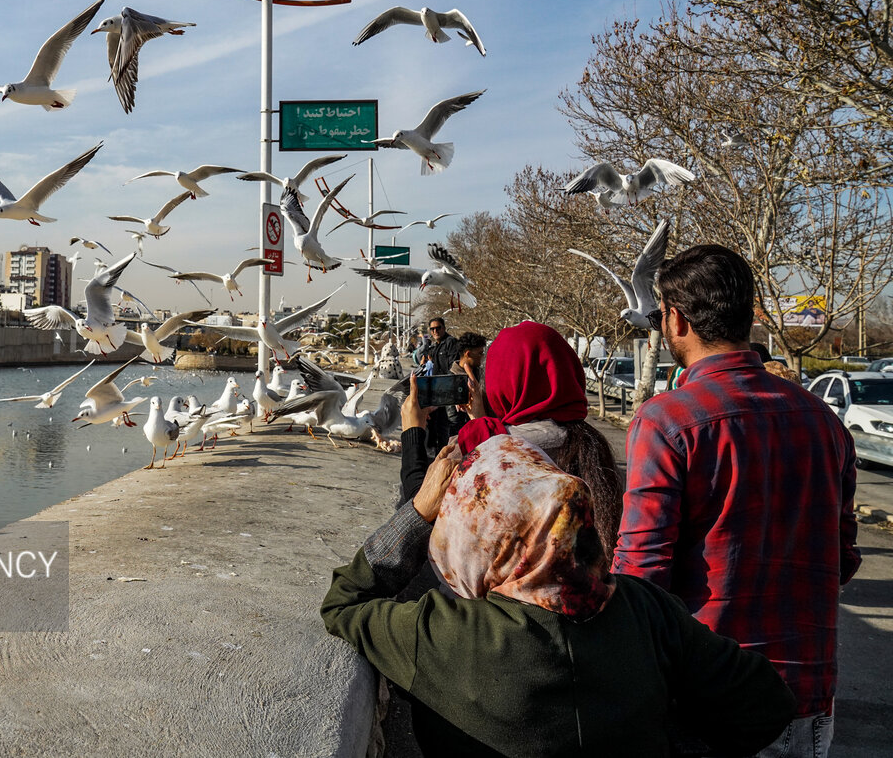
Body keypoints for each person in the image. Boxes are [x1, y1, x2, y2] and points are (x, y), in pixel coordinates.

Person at [323, 432, 795, 756]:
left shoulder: (443, 634)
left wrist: (420, 511)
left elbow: (346, 600)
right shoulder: (644, 610)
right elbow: (766, 704)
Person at [612, 244, 861, 756]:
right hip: (807, 696)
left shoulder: (667, 421)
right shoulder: (824, 422)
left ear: (675, 320)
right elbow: (844, 557)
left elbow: (641, 575)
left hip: (713, 696)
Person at [439, 321, 622, 560]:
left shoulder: (471, 446)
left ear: (499, 381)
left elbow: (425, 516)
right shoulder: (595, 448)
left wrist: (414, 429)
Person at [413, 317, 461, 451]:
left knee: (452, 426)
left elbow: (454, 366)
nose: (435, 331)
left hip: (449, 391)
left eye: (438, 328)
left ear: (444, 328)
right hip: (436, 392)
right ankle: (439, 454)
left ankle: (454, 455)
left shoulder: (451, 343)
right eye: (432, 329)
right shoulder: (434, 346)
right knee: (438, 426)